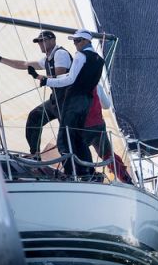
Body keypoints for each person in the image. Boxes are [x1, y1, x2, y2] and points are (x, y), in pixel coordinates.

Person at [32, 29, 104, 177]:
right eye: (74, 41)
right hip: (86, 102)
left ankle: (71, 173)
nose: (75, 44)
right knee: (77, 137)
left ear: (86, 41)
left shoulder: (81, 56)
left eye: (77, 41)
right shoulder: (98, 59)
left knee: (64, 139)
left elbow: (70, 79)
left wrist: (45, 80)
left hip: (74, 101)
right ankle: (88, 172)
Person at [0, 30, 72, 158]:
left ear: (52, 40)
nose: (40, 44)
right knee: (35, 117)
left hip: (68, 102)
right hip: (56, 100)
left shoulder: (60, 53)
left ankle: (75, 170)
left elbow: (59, 75)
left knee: (66, 138)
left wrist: (39, 76)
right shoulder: (47, 59)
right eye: (38, 42)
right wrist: (0, 59)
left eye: (42, 40)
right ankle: (35, 155)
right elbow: (24, 64)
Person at [84, 85, 132, 183]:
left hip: (82, 128)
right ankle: (125, 178)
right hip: (99, 126)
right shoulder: (97, 86)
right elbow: (106, 106)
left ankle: (89, 175)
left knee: (79, 151)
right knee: (107, 154)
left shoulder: (71, 84)